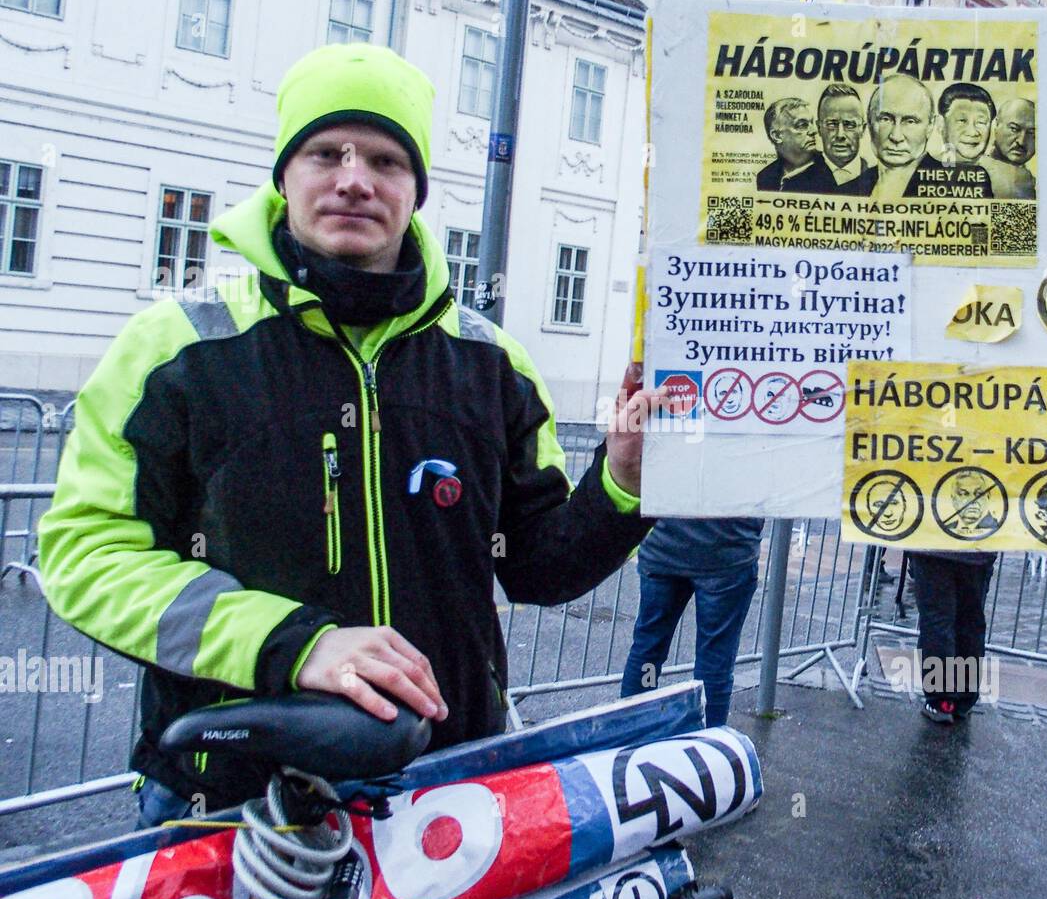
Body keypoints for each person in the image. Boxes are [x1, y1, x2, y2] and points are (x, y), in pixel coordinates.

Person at [37, 44, 661, 824]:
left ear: (416, 190)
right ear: (285, 174)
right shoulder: (176, 349)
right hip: (229, 793)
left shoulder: (490, 363)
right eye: (325, 152)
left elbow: (540, 567)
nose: (355, 178)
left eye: (388, 159)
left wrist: (624, 481)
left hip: (447, 784)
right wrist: (291, 644)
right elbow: (86, 556)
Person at [619, 518, 764, 726]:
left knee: (649, 652)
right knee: (715, 663)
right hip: (727, 550)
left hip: (663, 548)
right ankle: (706, 742)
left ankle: (634, 727)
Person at [866, 75, 991, 199]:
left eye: (910, 121)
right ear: (869, 121)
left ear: (931, 125)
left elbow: (1001, 218)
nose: (896, 137)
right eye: (885, 119)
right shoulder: (849, 188)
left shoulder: (969, 181)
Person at [909, 550, 997, 724]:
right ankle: (964, 697)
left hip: (933, 547)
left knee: (937, 622)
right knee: (970, 623)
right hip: (978, 550)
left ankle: (941, 700)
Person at [801, 84, 876, 196]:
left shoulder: (882, 182)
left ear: (863, 129)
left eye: (849, 125)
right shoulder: (795, 184)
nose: (840, 134)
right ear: (819, 128)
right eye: (831, 124)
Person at [755, 98, 822, 192]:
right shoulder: (765, 176)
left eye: (811, 123)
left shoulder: (831, 171)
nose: (814, 131)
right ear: (777, 136)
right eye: (802, 125)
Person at [982, 96, 1036, 199]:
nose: (1021, 141)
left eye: (1031, 133)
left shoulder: (1035, 185)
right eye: (1014, 129)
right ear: (996, 125)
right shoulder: (974, 175)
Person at [936, 81, 995, 164]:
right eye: (962, 121)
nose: (972, 132)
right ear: (941, 124)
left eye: (981, 122)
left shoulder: (1006, 174)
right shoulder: (921, 170)